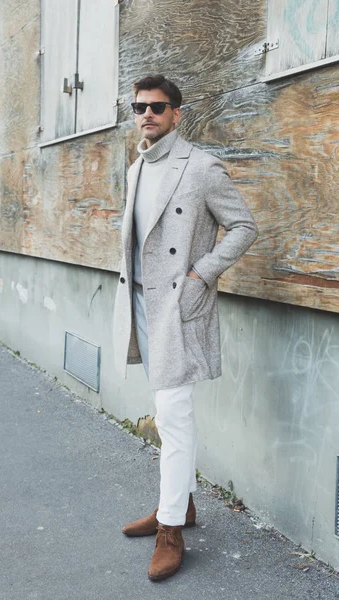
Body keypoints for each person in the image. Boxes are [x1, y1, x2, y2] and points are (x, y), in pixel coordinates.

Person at [112, 74, 258, 581]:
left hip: (177, 306)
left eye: (158, 106)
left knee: (173, 413)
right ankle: (182, 504)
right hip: (139, 305)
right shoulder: (135, 169)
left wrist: (200, 274)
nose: (147, 113)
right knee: (164, 410)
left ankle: (170, 527)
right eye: (139, 106)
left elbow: (244, 226)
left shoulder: (199, 168)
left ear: (177, 113)